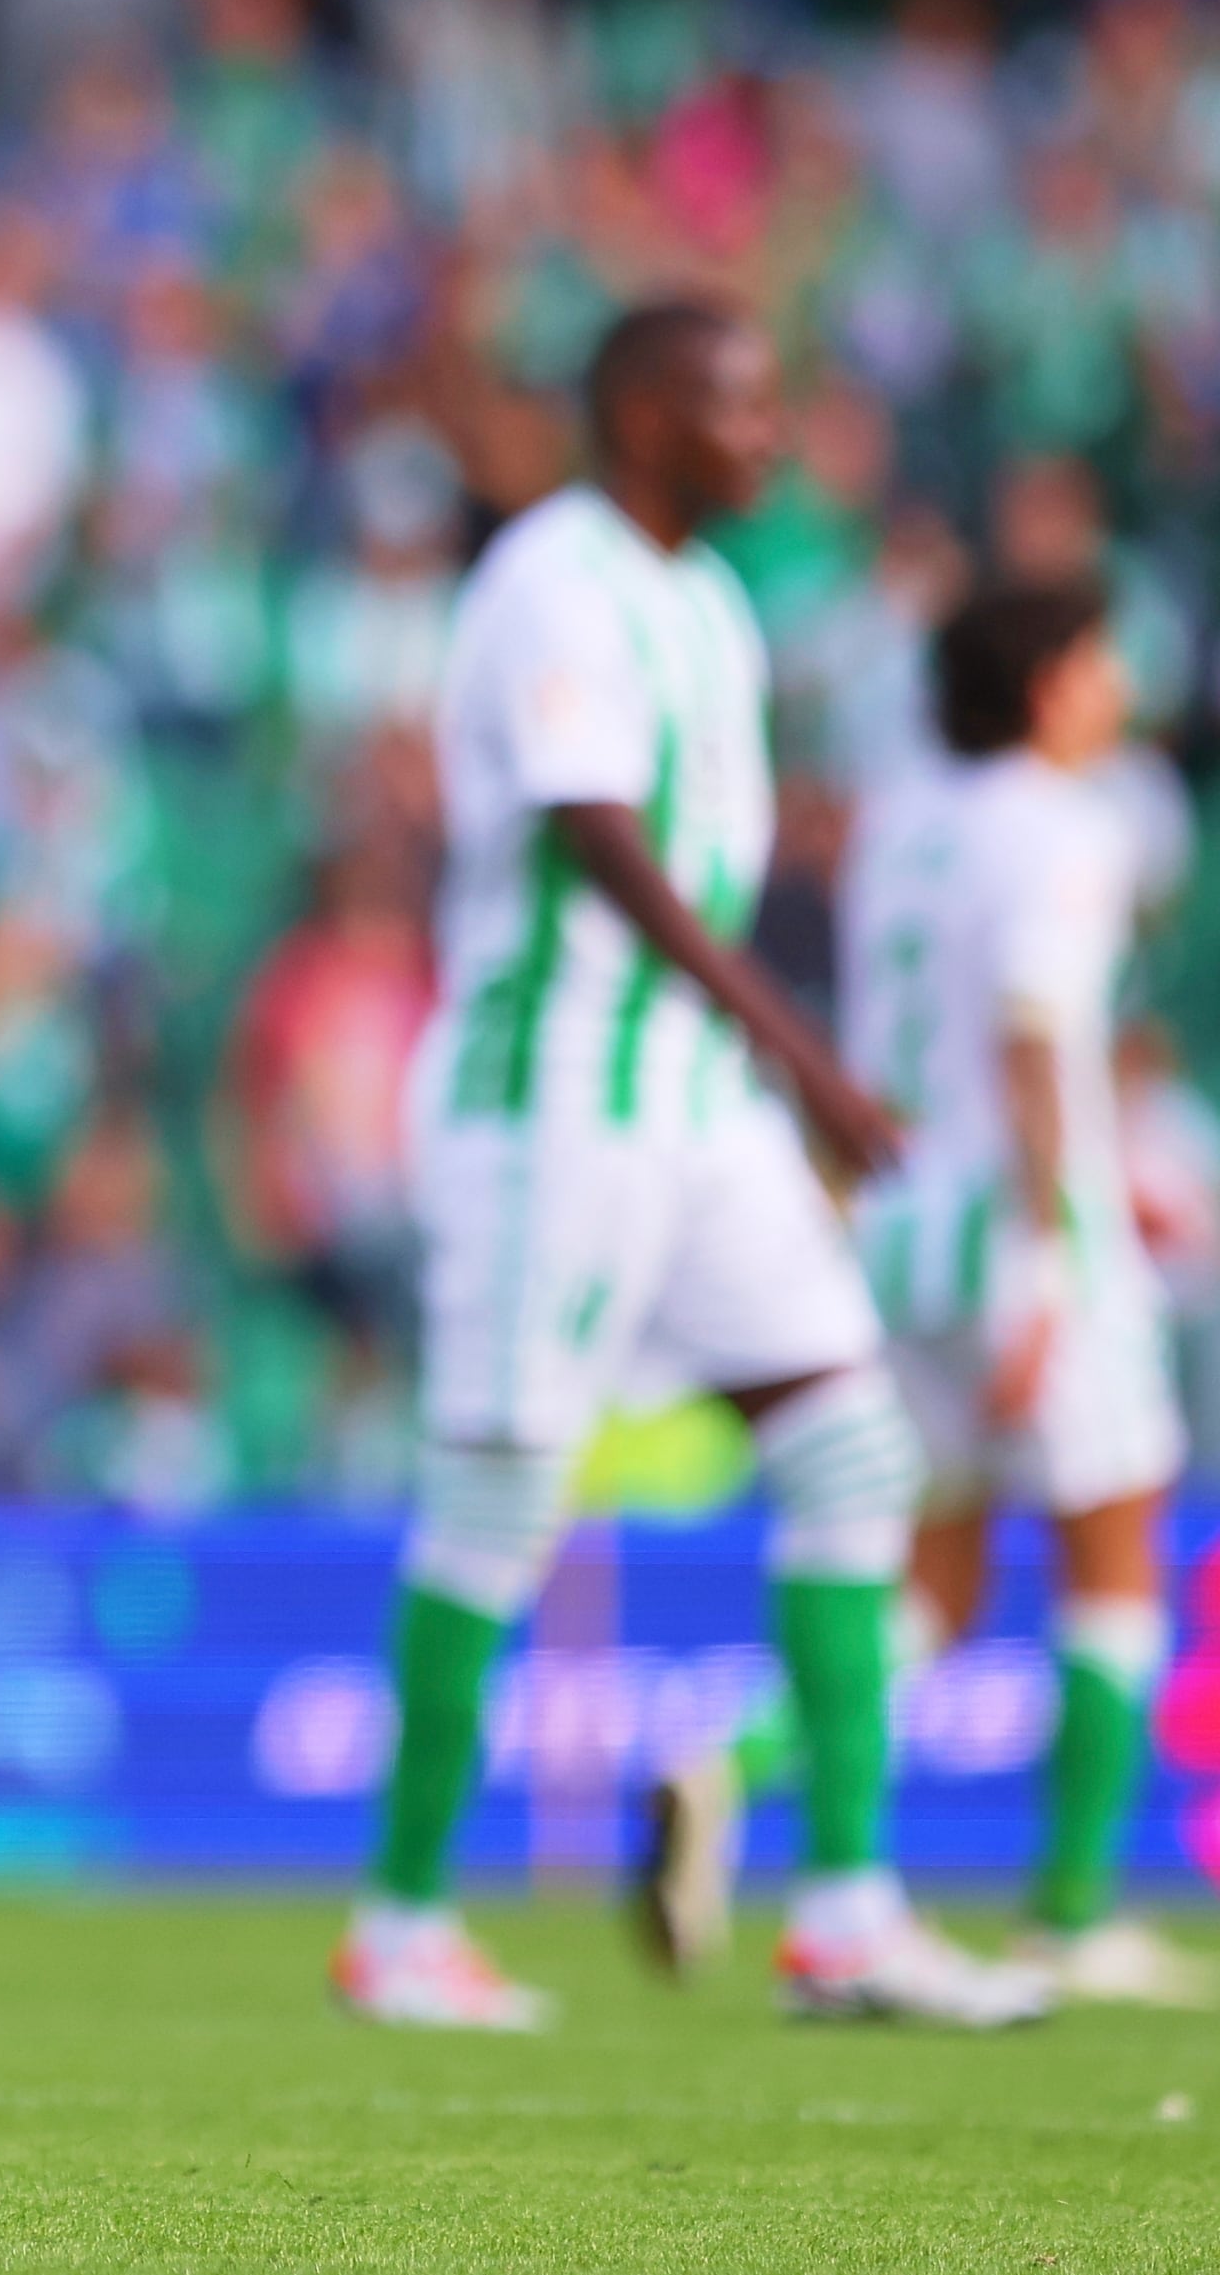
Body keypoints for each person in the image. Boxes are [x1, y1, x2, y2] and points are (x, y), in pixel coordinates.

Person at [332, 300, 1051, 2032]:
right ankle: (401, 1924)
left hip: (692, 1107)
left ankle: (848, 1914)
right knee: (502, 1492)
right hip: (554, 1094)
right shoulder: (553, 579)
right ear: (643, 413)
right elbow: (602, 842)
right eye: (737, 401)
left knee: (858, 1455)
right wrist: (804, 1052)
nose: (769, 433)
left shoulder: (707, 600)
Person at [697, 579, 1203, 2006]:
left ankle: (731, 1762)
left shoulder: (904, 823)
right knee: (1115, 1550)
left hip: (901, 1229)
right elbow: (1037, 1033)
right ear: (1046, 683)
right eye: (1101, 661)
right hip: (1022, 1232)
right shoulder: (1065, 827)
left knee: (939, 1574)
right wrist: (1050, 1254)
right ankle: (1071, 1910)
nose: (1117, 688)